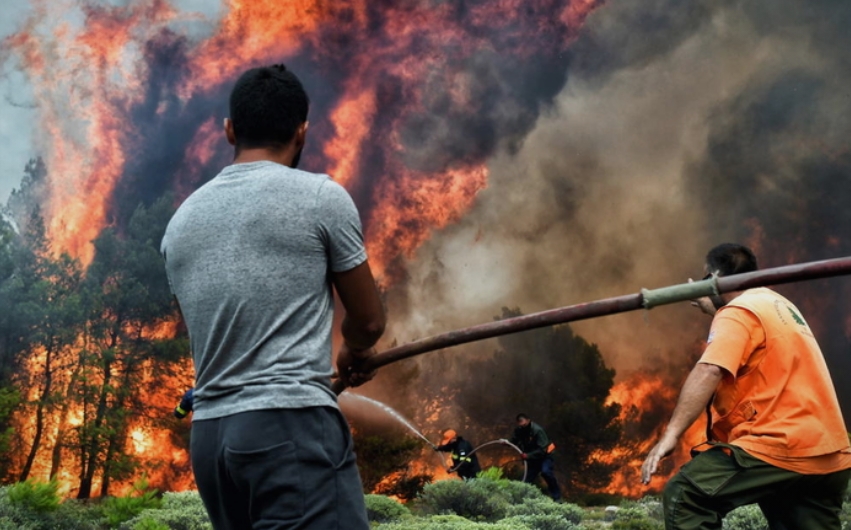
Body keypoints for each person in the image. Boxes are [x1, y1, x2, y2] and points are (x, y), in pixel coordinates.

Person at [160, 64, 385, 530]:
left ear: (230, 130)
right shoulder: (321, 197)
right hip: (289, 427)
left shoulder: (179, 224)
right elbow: (368, 322)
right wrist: (354, 352)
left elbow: (211, 323)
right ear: (301, 132)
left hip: (212, 441)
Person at [641, 243, 851, 530]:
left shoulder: (738, 311)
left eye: (705, 279)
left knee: (686, 495)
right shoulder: (779, 306)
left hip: (780, 444)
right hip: (828, 454)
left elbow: (710, 369)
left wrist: (670, 435)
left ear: (715, 276)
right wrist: (716, 309)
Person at [510, 413, 561, 501]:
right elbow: (514, 440)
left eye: (524, 424)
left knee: (546, 472)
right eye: (520, 424)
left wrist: (528, 455)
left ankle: (557, 498)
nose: (522, 426)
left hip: (545, 456)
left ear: (528, 420)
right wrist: (506, 442)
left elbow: (543, 449)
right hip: (533, 459)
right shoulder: (520, 431)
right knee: (526, 480)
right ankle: (520, 500)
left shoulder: (537, 430)